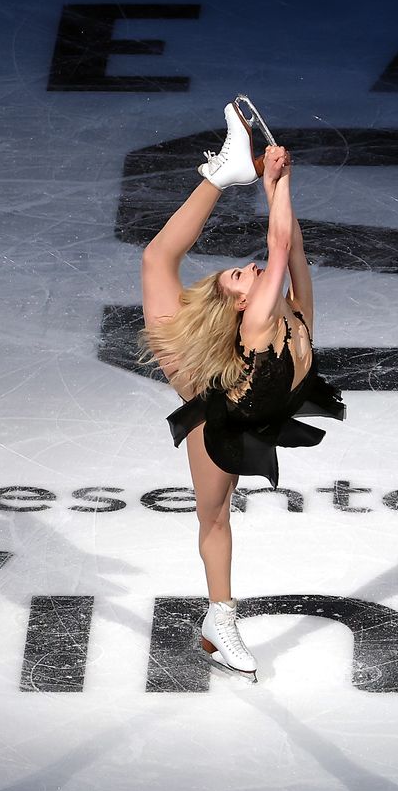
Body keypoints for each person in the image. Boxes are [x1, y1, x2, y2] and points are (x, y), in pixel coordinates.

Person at [138, 99, 345, 682]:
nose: (250, 268)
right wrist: (275, 184)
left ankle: (223, 173)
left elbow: (289, 249)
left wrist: (281, 184)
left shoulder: (284, 316)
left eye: (244, 269)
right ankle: (220, 617)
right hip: (225, 399)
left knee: (157, 261)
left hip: (245, 401)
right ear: (238, 305)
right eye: (241, 277)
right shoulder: (269, 321)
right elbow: (281, 249)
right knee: (215, 517)